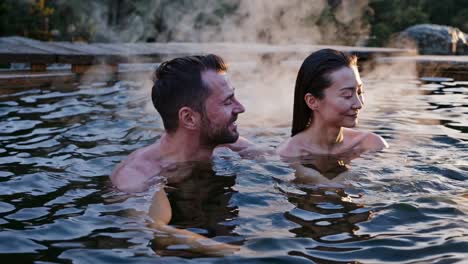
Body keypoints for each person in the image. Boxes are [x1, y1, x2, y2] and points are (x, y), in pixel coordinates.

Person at [111, 54, 249, 255]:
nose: (241, 107)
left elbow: (277, 156)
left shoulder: (225, 144)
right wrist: (248, 255)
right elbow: (154, 229)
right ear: (189, 118)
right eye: (228, 102)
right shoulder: (137, 174)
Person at [277, 49, 388, 182]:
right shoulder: (289, 154)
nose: (358, 104)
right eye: (346, 95)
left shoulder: (371, 144)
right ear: (312, 101)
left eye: (360, 92)